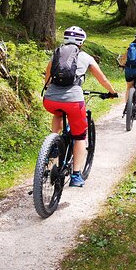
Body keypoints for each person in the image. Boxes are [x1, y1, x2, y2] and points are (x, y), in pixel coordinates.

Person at [43, 26, 117, 187]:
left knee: (57, 113)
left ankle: (53, 143)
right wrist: (112, 91)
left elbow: (47, 76)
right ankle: (76, 175)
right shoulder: (86, 57)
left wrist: (51, 91)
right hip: (74, 102)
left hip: (50, 100)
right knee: (79, 137)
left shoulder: (57, 54)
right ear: (82, 42)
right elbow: (102, 79)